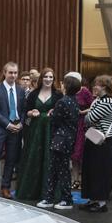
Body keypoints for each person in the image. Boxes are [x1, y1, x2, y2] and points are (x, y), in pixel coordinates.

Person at [15, 67, 62, 202]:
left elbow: (62, 113)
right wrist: (31, 113)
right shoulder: (33, 94)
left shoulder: (58, 95)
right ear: (41, 78)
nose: (48, 79)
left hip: (51, 132)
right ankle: (31, 191)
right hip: (35, 133)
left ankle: (49, 193)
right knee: (33, 159)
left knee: (49, 160)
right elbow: (26, 111)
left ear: (54, 79)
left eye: (51, 77)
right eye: (46, 77)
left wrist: (55, 112)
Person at [37, 73, 81, 210]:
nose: (61, 85)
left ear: (66, 86)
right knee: (61, 170)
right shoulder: (74, 101)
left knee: (56, 170)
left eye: (63, 83)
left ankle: (61, 199)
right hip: (68, 139)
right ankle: (54, 198)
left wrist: (51, 114)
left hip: (60, 139)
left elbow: (55, 120)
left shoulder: (62, 101)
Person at [0, 62, 27, 198]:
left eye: (15, 73)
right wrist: (7, 124)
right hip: (0, 128)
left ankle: (5, 188)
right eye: (10, 72)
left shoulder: (20, 90)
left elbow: (24, 109)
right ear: (4, 73)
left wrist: (21, 124)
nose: (13, 75)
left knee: (11, 159)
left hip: (16, 129)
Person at [80, 75, 112, 213]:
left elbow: (90, 118)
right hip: (94, 138)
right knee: (91, 169)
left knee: (99, 171)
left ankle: (101, 203)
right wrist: (89, 114)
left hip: (101, 141)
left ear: (104, 86)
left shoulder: (107, 101)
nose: (93, 87)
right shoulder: (100, 100)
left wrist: (89, 114)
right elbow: (90, 117)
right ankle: (93, 200)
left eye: (96, 84)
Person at [71, 77, 93, 190]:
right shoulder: (69, 91)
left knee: (82, 155)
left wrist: (82, 112)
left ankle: (85, 181)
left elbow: (93, 106)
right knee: (74, 156)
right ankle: (75, 180)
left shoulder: (85, 91)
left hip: (83, 125)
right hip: (72, 125)